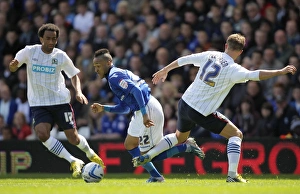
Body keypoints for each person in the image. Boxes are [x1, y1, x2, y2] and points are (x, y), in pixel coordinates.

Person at [133, 33, 297, 183]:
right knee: (236, 134)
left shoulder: (211, 54)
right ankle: (232, 175)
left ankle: (148, 155)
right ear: (240, 52)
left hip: (184, 103)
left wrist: (165, 69)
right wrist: (280, 72)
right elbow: (256, 75)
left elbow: (185, 59)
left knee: (179, 137)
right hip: (201, 111)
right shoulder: (234, 69)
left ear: (226, 45)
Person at [91, 48, 205, 183]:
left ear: (109, 62)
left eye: (98, 66)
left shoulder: (115, 77)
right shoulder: (116, 75)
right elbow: (125, 108)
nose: (96, 70)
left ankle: (185, 146)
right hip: (140, 110)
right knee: (130, 144)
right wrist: (104, 108)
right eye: (94, 67)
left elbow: (137, 91)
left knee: (147, 156)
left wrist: (145, 115)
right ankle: (156, 176)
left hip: (147, 108)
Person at [8, 23, 105, 178]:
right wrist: (13, 66)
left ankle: (89, 152)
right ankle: (73, 160)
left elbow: (73, 75)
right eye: (48, 39)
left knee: (73, 138)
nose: (51, 42)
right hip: (39, 103)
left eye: (54, 39)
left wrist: (78, 92)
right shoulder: (29, 51)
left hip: (60, 101)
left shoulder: (60, 56)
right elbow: (14, 66)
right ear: (41, 39)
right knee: (42, 134)